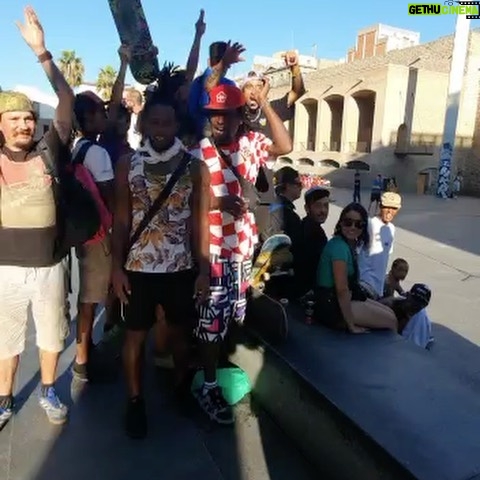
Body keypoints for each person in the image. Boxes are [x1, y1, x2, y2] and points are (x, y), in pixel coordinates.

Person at [112, 79, 210, 439]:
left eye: (167, 123)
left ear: (176, 126)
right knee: (134, 338)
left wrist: (204, 270)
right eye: (154, 123)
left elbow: (200, 223)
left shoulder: (195, 168)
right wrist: (115, 268)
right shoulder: (128, 165)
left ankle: (181, 388)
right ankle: (135, 401)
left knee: (182, 338)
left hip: (180, 269)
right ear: (144, 125)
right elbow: (122, 221)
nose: (161, 130)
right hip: (137, 269)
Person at [190, 81, 292, 424]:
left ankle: (217, 371)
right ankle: (207, 385)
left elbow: (285, 145)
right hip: (214, 251)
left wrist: (263, 100)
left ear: (238, 115)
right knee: (210, 323)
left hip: (242, 252)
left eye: (226, 114)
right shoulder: (198, 151)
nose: (219, 121)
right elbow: (188, 203)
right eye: (214, 114)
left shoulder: (252, 142)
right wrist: (217, 202)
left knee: (233, 316)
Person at [0, 6, 74, 429]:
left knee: (50, 336)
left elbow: (65, 99)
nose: (25, 124)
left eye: (28, 118)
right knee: (6, 341)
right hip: (5, 270)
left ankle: (48, 390)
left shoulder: (50, 149)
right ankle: (5, 399)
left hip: (49, 266)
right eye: (15, 119)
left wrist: (42, 53)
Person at [71, 91, 115, 382]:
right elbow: (111, 196)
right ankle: (83, 361)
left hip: (85, 233)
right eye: (101, 111)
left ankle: (86, 353)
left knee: (88, 297)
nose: (105, 116)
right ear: (89, 117)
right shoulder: (97, 153)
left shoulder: (77, 147)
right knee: (91, 298)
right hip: (101, 234)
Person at [315, 203, 397, 333]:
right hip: (331, 305)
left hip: (340, 298)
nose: (352, 227)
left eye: (358, 224)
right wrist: (351, 325)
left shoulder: (348, 245)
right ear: (341, 223)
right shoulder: (339, 248)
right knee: (391, 321)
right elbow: (342, 290)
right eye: (348, 222)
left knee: (390, 313)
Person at [358, 192, 401, 300]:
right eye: (386, 207)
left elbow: (385, 259)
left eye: (394, 208)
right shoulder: (369, 224)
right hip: (364, 286)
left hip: (378, 289)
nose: (390, 211)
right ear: (380, 206)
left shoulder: (391, 229)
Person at [298, 187, 330, 295]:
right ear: (307, 208)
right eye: (318, 206)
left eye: (326, 206)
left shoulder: (310, 227)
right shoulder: (312, 232)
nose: (323, 210)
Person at [385, 284, 433, 349]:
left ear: (424, 306)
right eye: (413, 302)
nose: (414, 307)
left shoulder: (421, 318)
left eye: (418, 306)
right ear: (407, 295)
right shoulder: (391, 305)